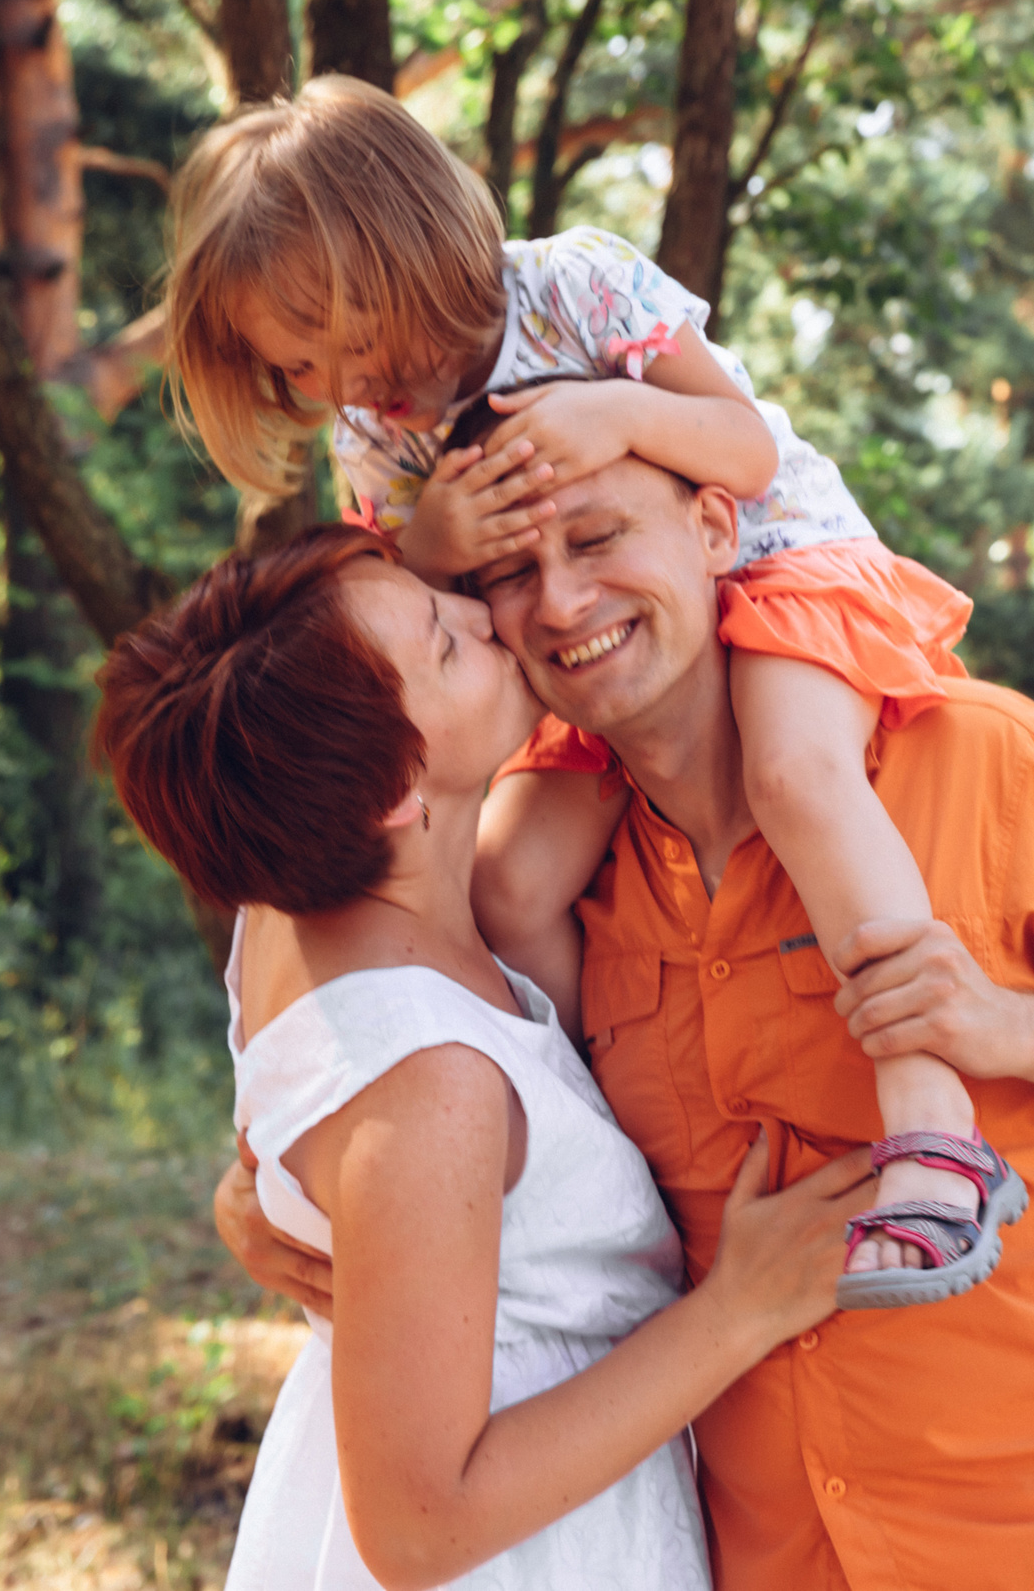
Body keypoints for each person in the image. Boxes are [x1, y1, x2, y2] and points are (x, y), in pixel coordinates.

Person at [218, 458, 1034, 1591]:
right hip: (780, 1558)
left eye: (599, 538)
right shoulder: (537, 890)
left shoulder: (972, 754)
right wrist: (266, 1189)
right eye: (514, 572)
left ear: (715, 527)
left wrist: (1006, 1028)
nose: (565, 601)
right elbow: (383, 1050)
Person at [162, 76, 991, 1295]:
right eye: (302, 365)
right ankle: (605, 1151)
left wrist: (617, 414)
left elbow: (748, 451)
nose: (342, 380)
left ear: (411, 251)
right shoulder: (377, 440)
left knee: (797, 774)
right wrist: (434, 538)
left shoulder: (576, 289)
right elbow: (415, 624)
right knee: (514, 877)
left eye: (349, 338)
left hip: (772, 567)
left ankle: (932, 1129)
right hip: (578, 651)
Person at [95, 527, 874, 1590]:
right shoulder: (434, 1083)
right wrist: (742, 1308)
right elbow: (418, 1528)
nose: (485, 618)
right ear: (390, 794)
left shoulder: (285, 912)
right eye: (447, 644)